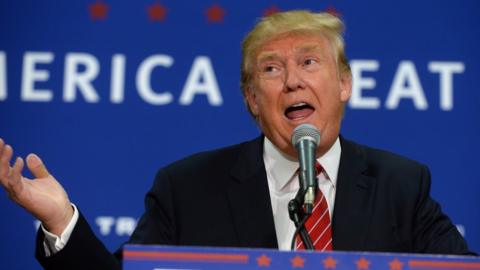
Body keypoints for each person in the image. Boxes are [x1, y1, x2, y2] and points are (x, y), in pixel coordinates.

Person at [0, 10, 474, 270]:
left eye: (309, 62)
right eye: (272, 69)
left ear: (344, 83)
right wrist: (62, 221)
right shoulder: (187, 188)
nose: (292, 81)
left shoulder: (401, 185)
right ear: (251, 97)